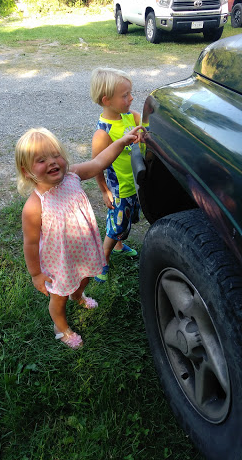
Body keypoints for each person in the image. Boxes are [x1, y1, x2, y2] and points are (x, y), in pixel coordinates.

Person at [15, 126, 142, 349]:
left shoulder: (73, 175)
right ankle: (61, 328)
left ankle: (79, 296)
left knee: (85, 277)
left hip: (83, 249)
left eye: (56, 155)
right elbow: (31, 242)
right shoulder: (35, 206)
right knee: (59, 298)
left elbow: (99, 162)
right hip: (60, 261)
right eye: (42, 160)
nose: (53, 162)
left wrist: (121, 141)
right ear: (27, 171)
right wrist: (36, 274)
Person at [91, 67, 151, 283]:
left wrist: (143, 134)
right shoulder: (103, 133)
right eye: (125, 95)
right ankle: (102, 260)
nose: (131, 98)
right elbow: (97, 165)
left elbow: (144, 124)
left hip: (133, 185)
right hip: (119, 191)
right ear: (107, 100)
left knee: (127, 221)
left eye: (130, 93)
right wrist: (105, 191)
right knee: (115, 227)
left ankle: (117, 247)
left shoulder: (128, 116)